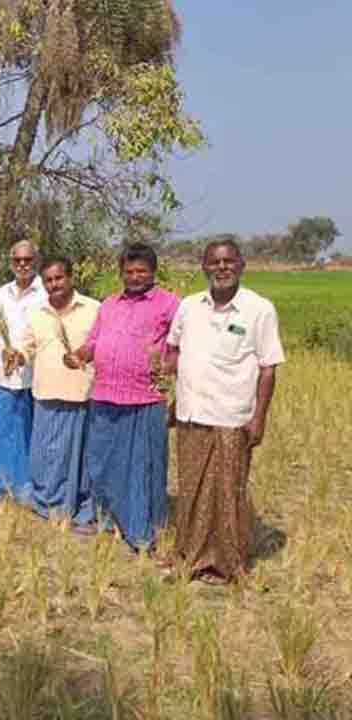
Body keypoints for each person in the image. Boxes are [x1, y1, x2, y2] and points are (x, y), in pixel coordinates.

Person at [166, 238, 283, 584]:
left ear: (241, 265)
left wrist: (259, 417)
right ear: (204, 267)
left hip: (232, 416)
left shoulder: (259, 309)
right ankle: (189, 556)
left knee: (228, 492)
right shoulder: (189, 306)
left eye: (228, 261)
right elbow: (173, 349)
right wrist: (171, 384)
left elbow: (268, 369)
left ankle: (226, 564)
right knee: (191, 490)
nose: (221, 267)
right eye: (214, 262)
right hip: (191, 413)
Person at [65, 243, 179, 545]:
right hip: (104, 394)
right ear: (121, 273)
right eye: (129, 271)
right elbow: (94, 341)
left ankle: (143, 527)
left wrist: (167, 366)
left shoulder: (169, 304)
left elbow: (182, 345)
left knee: (143, 465)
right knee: (102, 460)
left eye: (142, 271)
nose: (135, 277)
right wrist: (80, 355)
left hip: (145, 398)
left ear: (153, 272)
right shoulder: (110, 304)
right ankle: (104, 518)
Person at [16, 258, 99, 525]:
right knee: (45, 454)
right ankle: (46, 501)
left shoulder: (93, 309)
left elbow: (102, 346)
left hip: (80, 394)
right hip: (46, 393)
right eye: (49, 280)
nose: (54, 284)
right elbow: (27, 346)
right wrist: (17, 356)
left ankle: (73, 504)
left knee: (75, 456)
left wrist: (84, 357)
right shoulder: (37, 312)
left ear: (71, 277)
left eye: (59, 278)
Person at [0, 240, 47, 501]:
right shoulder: (1, 293)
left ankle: (24, 489)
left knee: (26, 433)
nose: (22, 265)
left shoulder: (45, 294)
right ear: (11, 262)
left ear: (36, 261)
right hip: (2, 375)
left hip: (33, 377)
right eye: (17, 260)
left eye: (27, 260)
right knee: (0, 432)